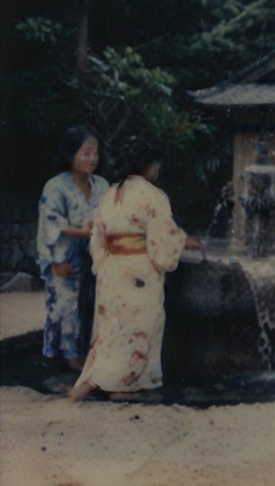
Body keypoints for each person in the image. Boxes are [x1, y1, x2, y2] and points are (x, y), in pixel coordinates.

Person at [69, 136, 201, 402]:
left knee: (110, 329)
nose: (158, 170)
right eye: (157, 165)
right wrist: (182, 240)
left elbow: (98, 236)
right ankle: (124, 387)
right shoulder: (153, 196)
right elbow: (162, 240)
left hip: (112, 269)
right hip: (139, 270)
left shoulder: (110, 194)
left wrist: (105, 264)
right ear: (151, 165)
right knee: (138, 327)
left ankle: (96, 379)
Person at [37, 126, 109, 371]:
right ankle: (64, 356)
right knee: (64, 305)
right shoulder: (55, 186)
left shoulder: (101, 185)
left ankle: (85, 352)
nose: (92, 159)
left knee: (89, 304)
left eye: (95, 153)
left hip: (93, 257)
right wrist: (54, 261)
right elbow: (49, 222)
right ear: (71, 154)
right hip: (63, 255)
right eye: (86, 153)